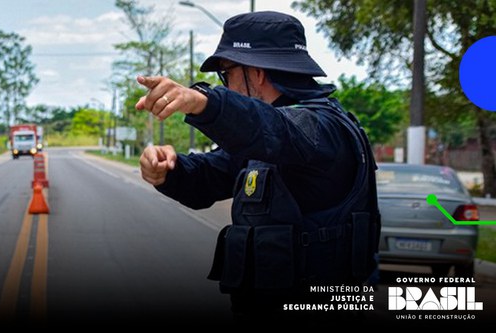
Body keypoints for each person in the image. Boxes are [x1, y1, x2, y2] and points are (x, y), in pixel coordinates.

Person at [135, 11, 380, 321]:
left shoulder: (320, 128)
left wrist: (206, 101)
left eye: (227, 73)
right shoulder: (265, 141)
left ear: (257, 72)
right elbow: (212, 174)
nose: (226, 83)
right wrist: (167, 170)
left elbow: (277, 128)